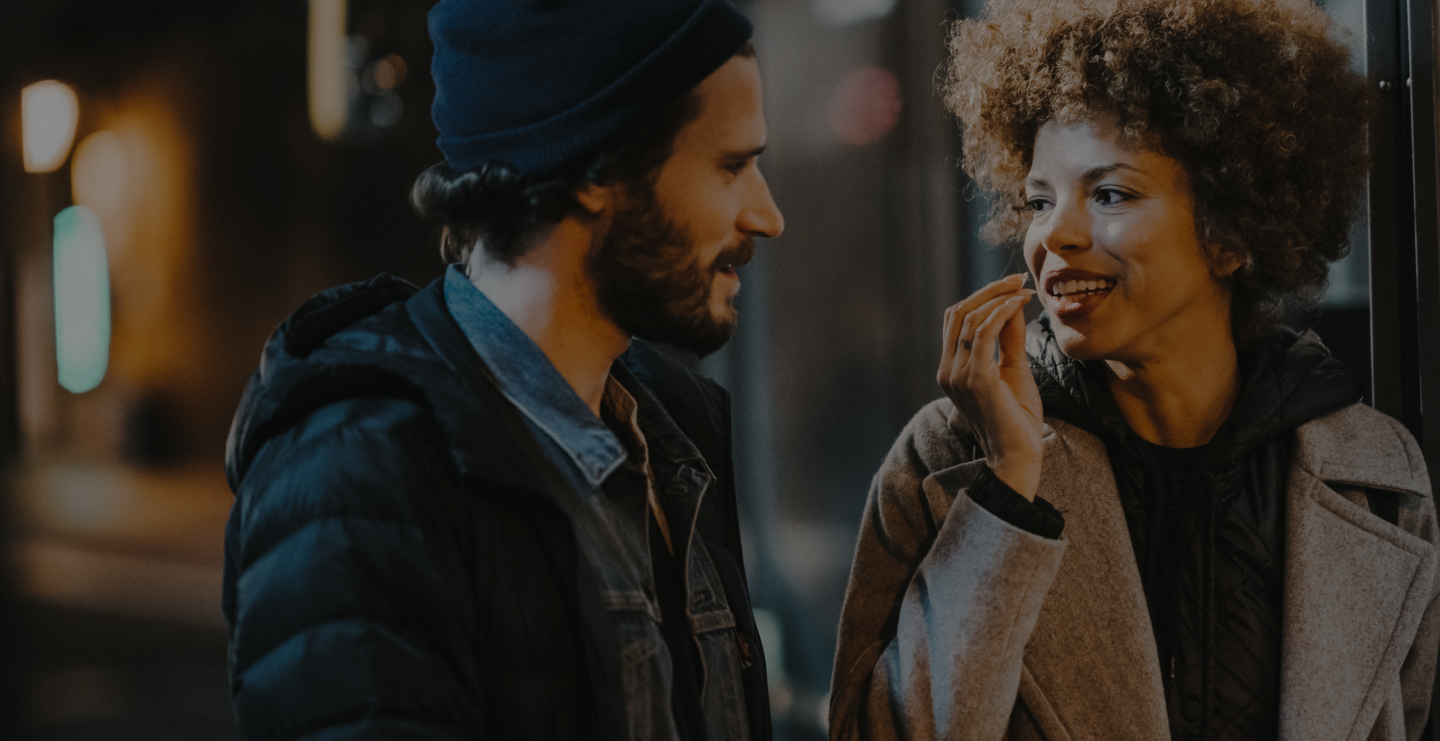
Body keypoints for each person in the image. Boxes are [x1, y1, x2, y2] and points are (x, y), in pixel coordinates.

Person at [830, 0, 1439, 739]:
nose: (1055, 232)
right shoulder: (949, 460)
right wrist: (1007, 494)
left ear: (1231, 231)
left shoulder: (1378, 479)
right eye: (1038, 200)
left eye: (1110, 194)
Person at [221, 0, 784, 738]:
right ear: (597, 165)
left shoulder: (671, 432)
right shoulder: (358, 480)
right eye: (732, 166)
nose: (766, 215)